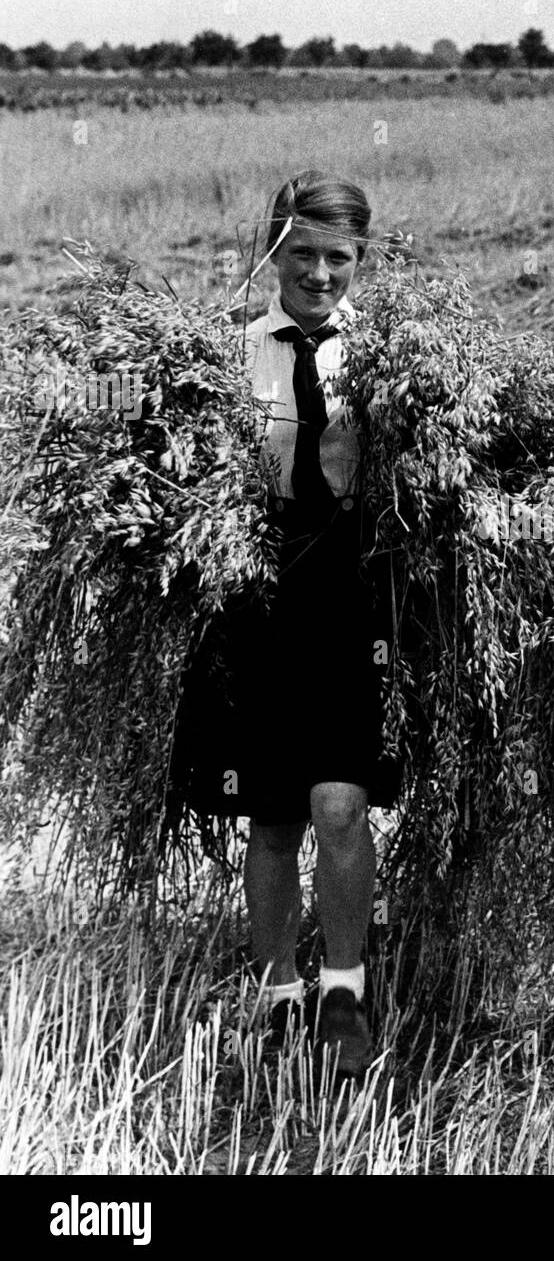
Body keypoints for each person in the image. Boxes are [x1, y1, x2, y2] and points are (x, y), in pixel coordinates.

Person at [170, 169, 397, 1079]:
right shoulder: (230, 356)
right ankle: (277, 996)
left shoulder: (390, 360)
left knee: (339, 803)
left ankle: (344, 988)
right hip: (257, 595)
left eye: (335, 257)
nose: (316, 273)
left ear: (360, 260)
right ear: (273, 251)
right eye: (299, 253)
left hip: (350, 597)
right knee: (270, 815)